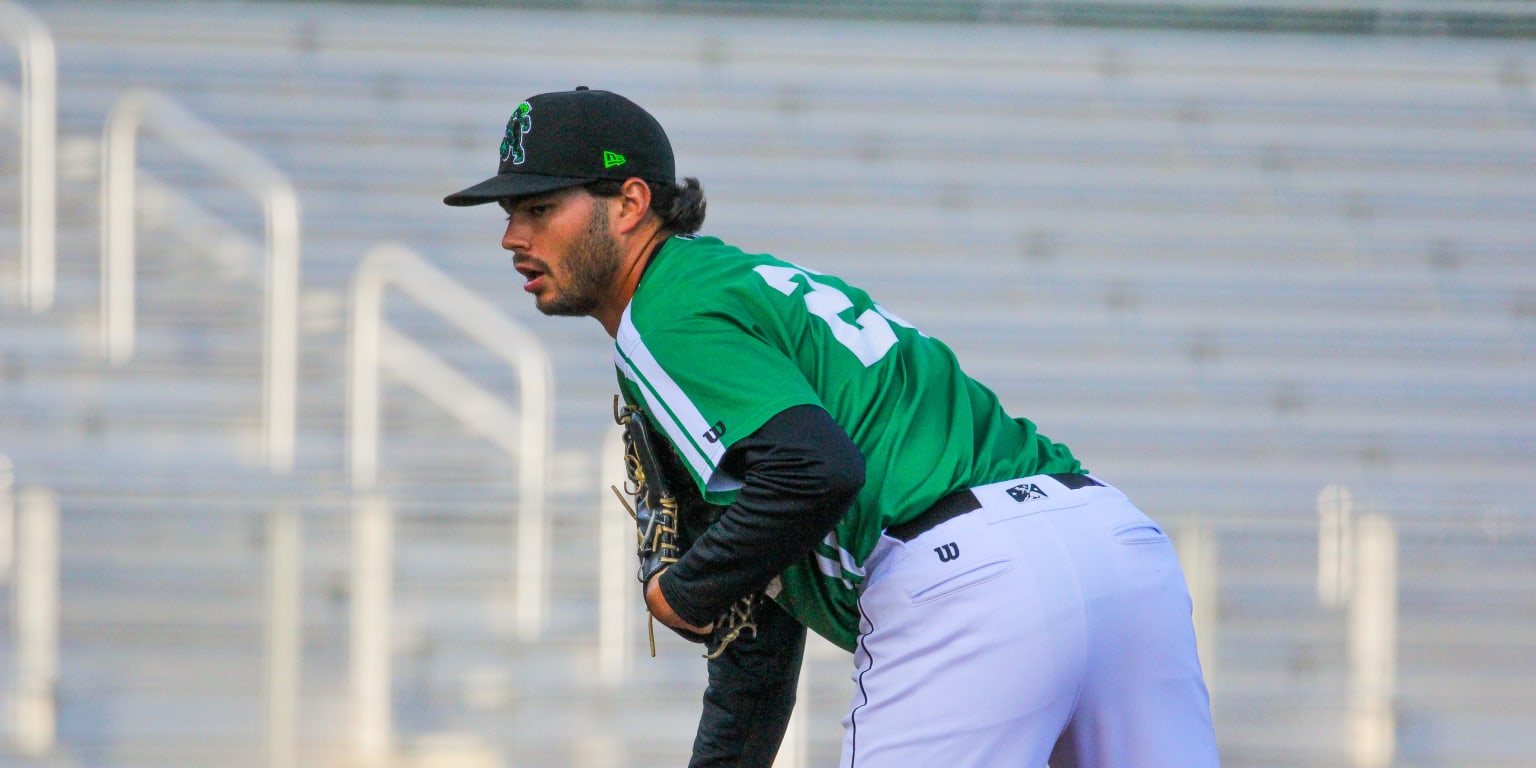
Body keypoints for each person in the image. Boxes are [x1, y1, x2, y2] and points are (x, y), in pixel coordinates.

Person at [445, 86, 1220, 768]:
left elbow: (818, 470)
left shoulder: (664, 313)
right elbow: (762, 621)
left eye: (541, 208)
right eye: (513, 212)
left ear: (631, 203)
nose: (513, 237)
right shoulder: (735, 287)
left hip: (967, 580)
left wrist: (681, 592)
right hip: (1118, 549)